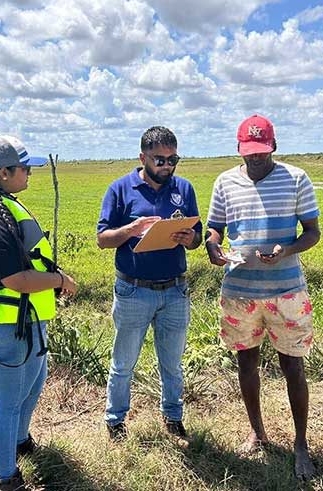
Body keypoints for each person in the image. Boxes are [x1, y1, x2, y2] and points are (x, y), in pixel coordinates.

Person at [0, 134, 78, 491]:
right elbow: (15, 278)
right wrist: (59, 279)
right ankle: (7, 477)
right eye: (24, 168)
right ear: (3, 172)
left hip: (10, 319)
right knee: (7, 402)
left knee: (34, 380)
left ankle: (20, 441)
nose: (30, 173)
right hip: (4, 323)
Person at [205, 114, 321, 480]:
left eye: (261, 152)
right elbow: (215, 229)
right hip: (240, 293)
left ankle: (301, 444)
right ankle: (257, 432)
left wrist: (285, 251)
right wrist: (212, 246)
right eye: (248, 152)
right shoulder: (225, 182)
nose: (254, 158)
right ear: (239, 148)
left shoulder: (296, 178)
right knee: (246, 364)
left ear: (274, 146)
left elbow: (313, 232)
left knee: (293, 367)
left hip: (286, 292)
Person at [97, 126, 203, 442]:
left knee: (172, 363)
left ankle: (173, 418)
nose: (167, 166)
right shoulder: (119, 189)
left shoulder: (184, 188)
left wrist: (190, 238)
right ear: (143, 157)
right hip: (133, 290)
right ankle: (115, 421)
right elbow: (103, 239)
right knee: (123, 363)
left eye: (173, 159)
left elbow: (197, 237)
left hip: (174, 290)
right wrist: (130, 230)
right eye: (160, 159)